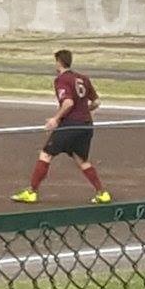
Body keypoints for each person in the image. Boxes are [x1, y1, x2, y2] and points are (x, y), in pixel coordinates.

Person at [13, 49, 110, 205]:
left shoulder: (62, 80)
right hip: (86, 126)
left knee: (46, 154)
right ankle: (102, 193)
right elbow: (97, 102)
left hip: (70, 125)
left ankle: (31, 192)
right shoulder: (83, 78)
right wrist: (85, 110)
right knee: (81, 160)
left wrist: (55, 119)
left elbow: (68, 102)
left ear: (59, 62)